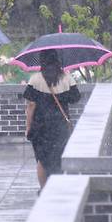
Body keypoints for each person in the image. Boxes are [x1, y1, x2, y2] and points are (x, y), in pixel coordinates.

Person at [23, 49, 81, 190]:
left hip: (40, 126)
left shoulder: (35, 79)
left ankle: (43, 189)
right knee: (59, 156)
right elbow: (75, 98)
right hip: (60, 124)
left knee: (42, 160)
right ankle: (58, 187)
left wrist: (28, 127)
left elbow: (31, 105)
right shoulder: (67, 78)